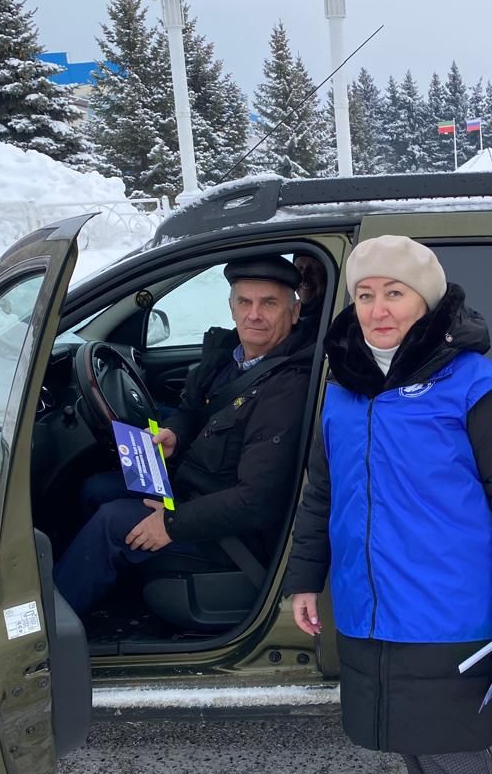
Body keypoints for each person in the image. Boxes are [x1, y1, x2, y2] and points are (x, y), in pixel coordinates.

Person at [283, 235, 492, 774]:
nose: (377, 308)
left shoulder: (476, 385)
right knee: (402, 725)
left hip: (448, 600)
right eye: (365, 294)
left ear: (425, 300)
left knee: (448, 735)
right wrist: (304, 579)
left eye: (394, 293)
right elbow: (321, 492)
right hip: (370, 596)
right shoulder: (344, 388)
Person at [54, 257, 314, 617]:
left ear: (294, 312)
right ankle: (111, 581)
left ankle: (46, 631)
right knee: (95, 489)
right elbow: (192, 409)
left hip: (235, 535)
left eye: (269, 303)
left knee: (112, 522)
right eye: (245, 302)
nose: (254, 314)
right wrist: (174, 433)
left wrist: (172, 524)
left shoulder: (289, 386)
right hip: (197, 489)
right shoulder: (228, 358)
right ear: (232, 307)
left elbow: (257, 501)